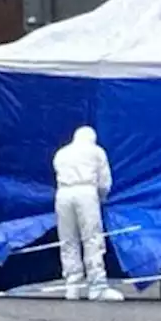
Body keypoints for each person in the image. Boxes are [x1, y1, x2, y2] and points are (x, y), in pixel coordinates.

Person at [52, 126, 123, 302]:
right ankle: (97, 286)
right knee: (92, 239)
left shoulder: (61, 153)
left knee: (68, 241)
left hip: (63, 194)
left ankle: (72, 286)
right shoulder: (96, 152)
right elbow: (104, 182)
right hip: (86, 192)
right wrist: (102, 197)